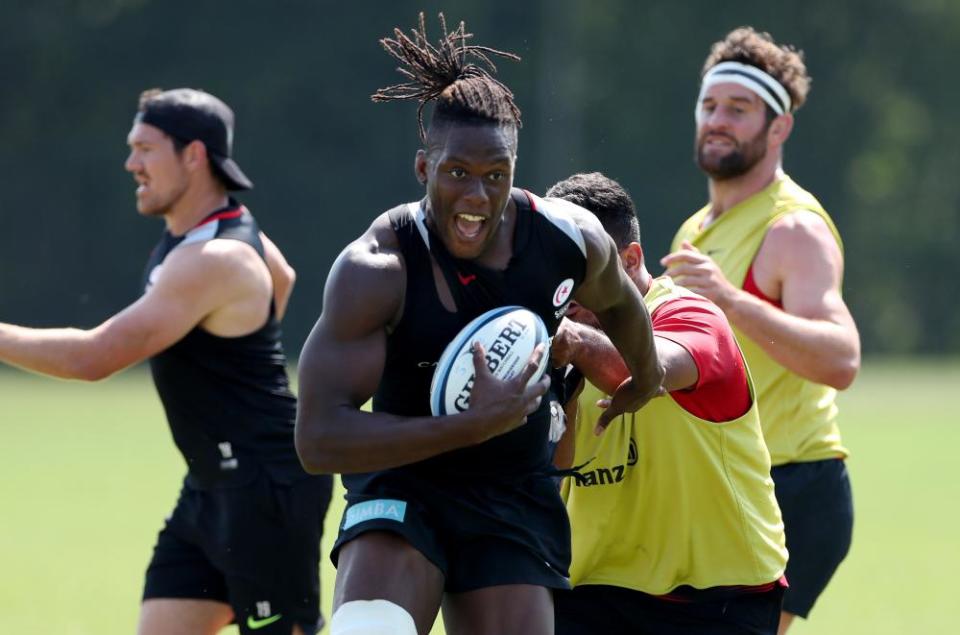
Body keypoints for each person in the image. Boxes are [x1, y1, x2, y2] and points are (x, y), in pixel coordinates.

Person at [294, 14, 663, 635]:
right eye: (456, 173)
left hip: (512, 492)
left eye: (496, 176)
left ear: (515, 171)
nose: (476, 197)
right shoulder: (378, 269)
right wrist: (463, 427)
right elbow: (317, 438)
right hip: (402, 486)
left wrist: (645, 376)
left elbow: (623, 301)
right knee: (368, 630)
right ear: (422, 169)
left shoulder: (568, 240)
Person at [0, 88, 332, 635]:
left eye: (145, 149)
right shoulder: (219, 230)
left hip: (264, 489)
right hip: (209, 487)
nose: (131, 163)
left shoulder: (211, 260)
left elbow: (94, 357)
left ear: (194, 155)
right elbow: (283, 275)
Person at [662, 27, 861, 633]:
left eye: (739, 110)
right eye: (709, 106)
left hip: (790, 486)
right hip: (722, 489)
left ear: (779, 128)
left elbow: (841, 358)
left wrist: (729, 298)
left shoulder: (792, 229)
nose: (718, 120)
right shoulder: (694, 233)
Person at [546, 172, 788, 635]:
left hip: (719, 596)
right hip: (595, 588)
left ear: (631, 259)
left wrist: (575, 345)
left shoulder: (690, 315)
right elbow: (551, 474)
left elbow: (645, 371)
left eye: (584, 266)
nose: (567, 287)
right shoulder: (549, 331)